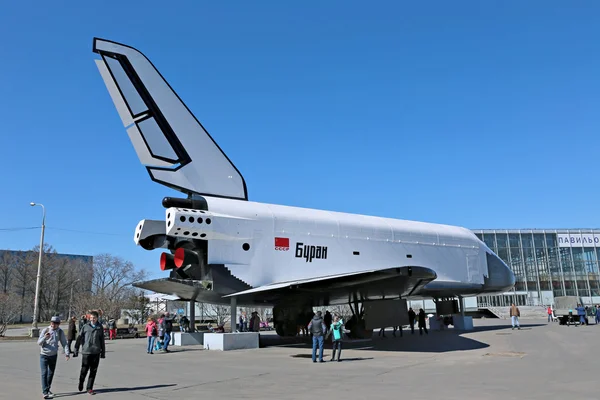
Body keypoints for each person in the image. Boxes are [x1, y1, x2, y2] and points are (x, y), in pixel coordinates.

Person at [38, 315, 70, 399]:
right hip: (44, 355)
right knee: (44, 373)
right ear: (50, 323)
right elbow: (39, 342)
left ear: (58, 324)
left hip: (53, 355)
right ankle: (45, 392)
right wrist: (45, 337)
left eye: (56, 323)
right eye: (52, 323)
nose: (54, 325)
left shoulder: (60, 332)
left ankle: (47, 389)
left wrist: (67, 353)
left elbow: (64, 343)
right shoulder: (46, 330)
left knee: (50, 373)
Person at [74, 310, 106, 395]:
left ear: (97, 318)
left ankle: (89, 388)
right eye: (91, 318)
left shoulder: (100, 327)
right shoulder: (85, 326)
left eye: (94, 318)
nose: (92, 319)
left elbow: (102, 340)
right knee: (84, 370)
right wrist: (76, 349)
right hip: (86, 352)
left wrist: (103, 352)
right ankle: (81, 382)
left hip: (96, 352)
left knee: (93, 371)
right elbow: (79, 338)